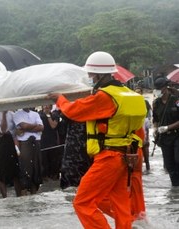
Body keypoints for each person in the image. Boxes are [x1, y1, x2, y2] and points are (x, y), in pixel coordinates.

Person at [49, 51, 146, 229]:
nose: (90, 78)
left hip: (109, 157)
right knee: (121, 205)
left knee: (82, 202)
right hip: (127, 156)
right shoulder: (130, 95)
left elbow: (73, 111)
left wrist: (60, 100)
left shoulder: (105, 97)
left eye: (91, 75)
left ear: (100, 75)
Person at [152, 77, 179, 186]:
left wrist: (168, 127)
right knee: (169, 165)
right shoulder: (156, 103)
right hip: (164, 138)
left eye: (159, 88)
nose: (158, 90)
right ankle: (175, 190)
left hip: (177, 135)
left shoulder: (176, 100)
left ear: (165, 88)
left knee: (178, 160)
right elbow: (155, 120)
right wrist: (155, 129)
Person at [0, 111, 22, 198]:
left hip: (11, 142)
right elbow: (3, 130)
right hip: (1, 143)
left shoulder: (11, 114)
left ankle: (19, 195)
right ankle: (5, 197)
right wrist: (3, 114)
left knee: (16, 172)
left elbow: (17, 132)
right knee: (2, 173)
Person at [13, 108, 43, 195]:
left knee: (36, 169)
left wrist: (26, 129)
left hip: (36, 142)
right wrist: (35, 126)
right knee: (25, 169)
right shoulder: (17, 114)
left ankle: (34, 193)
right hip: (25, 143)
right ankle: (24, 195)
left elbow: (41, 127)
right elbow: (23, 126)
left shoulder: (35, 114)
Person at [39, 104, 62, 181]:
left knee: (54, 163)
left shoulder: (55, 115)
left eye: (48, 106)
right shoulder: (38, 115)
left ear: (51, 107)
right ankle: (45, 179)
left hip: (53, 143)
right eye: (45, 106)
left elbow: (53, 126)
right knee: (44, 164)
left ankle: (54, 178)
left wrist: (48, 116)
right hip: (42, 143)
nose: (46, 107)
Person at [135, 87, 152, 171]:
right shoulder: (133, 103)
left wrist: (147, 138)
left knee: (146, 154)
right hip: (135, 138)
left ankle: (147, 167)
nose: (138, 93)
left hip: (143, 133)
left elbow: (149, 114)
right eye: (136, 92)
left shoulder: (145, 102)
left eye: (139, 92)